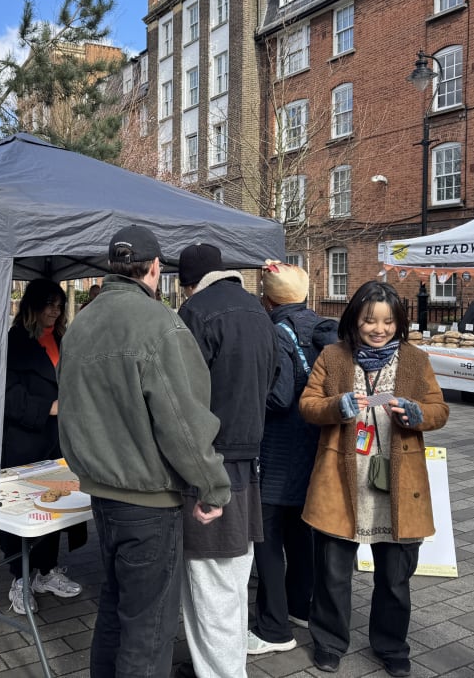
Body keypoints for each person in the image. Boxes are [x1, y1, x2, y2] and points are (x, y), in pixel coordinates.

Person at [58, 224, 230, 678]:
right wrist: (213, 486)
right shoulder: (159, 323)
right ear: (156, 269)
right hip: (147, 499)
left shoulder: (81, 323)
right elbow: (183, 421)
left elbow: (69, 409)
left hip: (103, 493)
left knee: (115, 608)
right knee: (148, 627)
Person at [299, 281, 448, 676]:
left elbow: (439, 409)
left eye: (387, 321)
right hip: (340, 478)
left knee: (396, 578)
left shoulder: (415, 360)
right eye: (369, 320)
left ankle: (392, 646)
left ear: (398, 323)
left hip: (399, 482)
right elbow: (308, 405)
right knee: (332, 574)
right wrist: (336, 405)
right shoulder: (333, 356)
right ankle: (329, 642)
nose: (378, 329)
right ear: (355, 320)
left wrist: (418, 414)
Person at [175, 243, 278, 678]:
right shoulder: (260, 312)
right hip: (251, 461)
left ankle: (221, 672)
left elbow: (182, 399)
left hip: (209, 465)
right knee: (234, 578)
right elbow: (276, 384)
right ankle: (224, 665)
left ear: (187, 283)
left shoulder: (195, 313)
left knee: (209, 582)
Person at [249, 261, 338, 655]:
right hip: (316, 447)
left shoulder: (275, 332)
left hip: (278, 452)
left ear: (267, 299)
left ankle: (273, 628)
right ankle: (301, 605)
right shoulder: (323, 329)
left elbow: (280, 396)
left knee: (267, 540)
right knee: (303, 532)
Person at [0, 278, 84, 615]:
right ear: (32, 306)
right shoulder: (14, 342)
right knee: (20, 512)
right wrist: (47, 407)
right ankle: (18, 579)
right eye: (49, 304)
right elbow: (6, 394)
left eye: (59, 304)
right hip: (24, 442)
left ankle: (47, 571)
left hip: (59, 439)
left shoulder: (64, 339)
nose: (55, 310)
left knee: (55, 508)